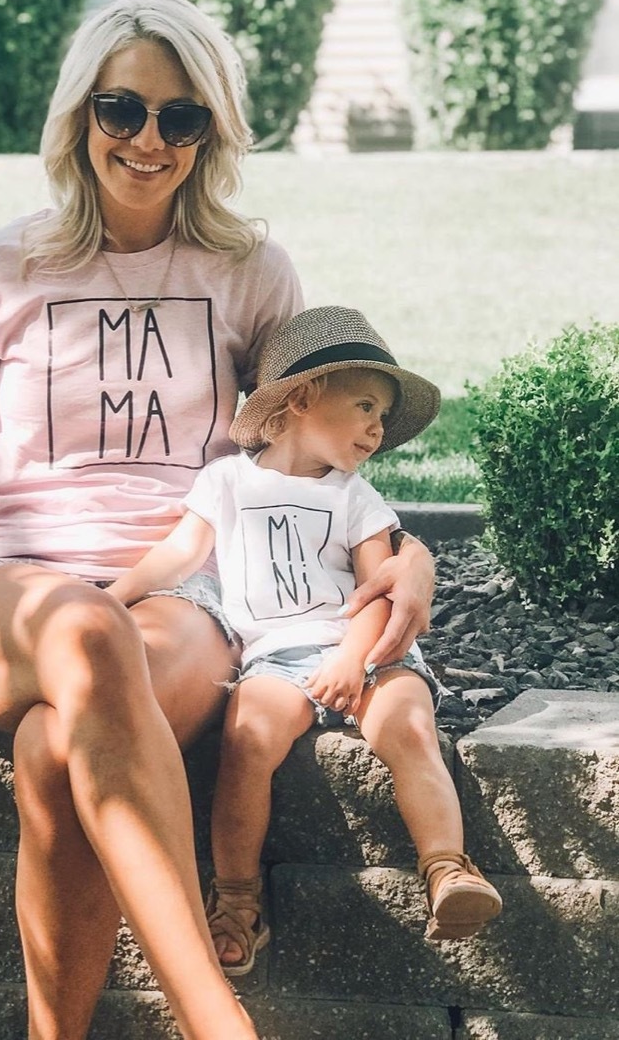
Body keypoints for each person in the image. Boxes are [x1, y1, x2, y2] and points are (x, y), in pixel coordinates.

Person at [0, 0, 436, 1040]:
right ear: (80, 114)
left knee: (55, 753)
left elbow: (310, 445)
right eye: (123, 110)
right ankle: (217, 1020)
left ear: (210, 132)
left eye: (181, 119)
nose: (147, 140)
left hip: (184, 588)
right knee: (84, 632)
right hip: (8, 591)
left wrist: (406, 552)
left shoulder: (250, 272)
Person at [108, 305, 503, 977]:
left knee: (407, 726)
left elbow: (381, 591)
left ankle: (447, 867)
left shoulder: (356, 498)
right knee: (247, 740)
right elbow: (179, 554)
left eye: (383, 415)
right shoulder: (229, 480)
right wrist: (110, 602)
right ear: (300, 399)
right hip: (277, 659)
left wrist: (355, 659)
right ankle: (237, 902)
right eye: (366, 407)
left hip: (370, 649)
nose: (379, 429)